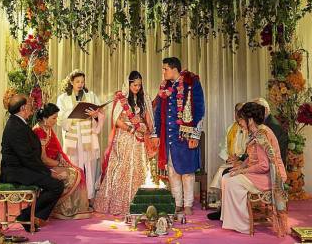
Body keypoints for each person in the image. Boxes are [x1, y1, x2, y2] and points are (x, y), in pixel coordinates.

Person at [220, 102, 288, 236]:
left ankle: (243, 224)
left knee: (232, 182)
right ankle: (231, 221)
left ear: (250, 120)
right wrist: (241, 166)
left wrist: (241, 171)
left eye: (241, 119)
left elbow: (264, 166)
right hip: (263, 173)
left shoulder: (262, 134)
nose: (239, 122)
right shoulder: (256, 132)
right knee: (227, 177)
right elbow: (252, 158)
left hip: (271, 176)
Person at [0, 95, 64, 232]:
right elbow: (27, 157)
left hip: (22, 168)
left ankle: (29, 216)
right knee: (56, 185)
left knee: (54, 183)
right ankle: (26, 215)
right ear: (23, 108)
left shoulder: (18, 122)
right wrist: (48, 172)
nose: (32, 107)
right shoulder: (15, 126)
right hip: (15, 172)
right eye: (29, 104)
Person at [94, 71, 155, 215]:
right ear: (128, 84)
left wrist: (146, 129)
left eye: (139, 85)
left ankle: (138, 204)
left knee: (138, 169)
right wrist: (131, 129)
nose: (137, 88)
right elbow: (116, 120)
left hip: (139, 140)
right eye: (134, 85)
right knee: (121, 168)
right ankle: (118, 204)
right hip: (124, 137)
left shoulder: (144, 98)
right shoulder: (121, 98)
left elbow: (148, 119)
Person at [151, 57, 205, 216]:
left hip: (185, 135)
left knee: (187, 171)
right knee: (172, 170)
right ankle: (177, 203)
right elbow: (158, 112)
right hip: (169, 136)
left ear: (174, 69)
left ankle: (188, 204)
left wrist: (195, 135)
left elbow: (200, 110)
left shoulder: (191, 82)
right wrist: (156, 133)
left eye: (165, 69)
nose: (163, 72)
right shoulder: (164, 87)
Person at [33, 103, 92, 220]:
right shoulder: (39, 131)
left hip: (53, 163)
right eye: (53, 118)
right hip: (43, 167)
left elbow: (58, 150)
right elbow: (43, 158)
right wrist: (60, 164)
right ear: (45, 118)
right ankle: (60, 209)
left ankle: (73, 209)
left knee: (78, 170)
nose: (56, 121)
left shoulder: (47, 128)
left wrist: (64, 162)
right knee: (70, 174)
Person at [56, 69, 104, 203]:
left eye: (82, 81)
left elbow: (100, 112)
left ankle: (89, 198)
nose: (80, 84)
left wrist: (95, 116)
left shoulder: (90, 95)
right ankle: (73, 198)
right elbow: (59, 118)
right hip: (73, 135)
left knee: (89, 166)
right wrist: (73, 111)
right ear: (71, 82)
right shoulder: (63, 98)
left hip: (87, 135)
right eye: (77, 81)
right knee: (74, 166)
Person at [207, 102, 247, 220]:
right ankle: (223, 209)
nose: (238, 115)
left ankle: (227, 210)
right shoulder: (231, 128)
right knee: (221, 172)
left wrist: (239, 159)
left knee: (223, 174)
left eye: (241, 112)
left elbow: (250, 150)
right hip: (231, 161)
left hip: (243, 162)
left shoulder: (249, 128)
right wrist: (228, 158)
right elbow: (224, 146)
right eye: (237, 112)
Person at [253, 98, 288, 165]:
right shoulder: (263, 124)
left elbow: (270, 153)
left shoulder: (273, 126)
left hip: (272, 167)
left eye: (256, 111)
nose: (253, 114)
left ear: (265, 110)